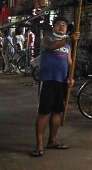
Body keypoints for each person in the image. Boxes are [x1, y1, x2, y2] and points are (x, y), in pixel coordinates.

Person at [31, 16, 79, 157]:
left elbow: (70, 63)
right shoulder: (48, 39)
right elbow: (52, 47)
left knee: (57, 111)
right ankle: (39, 143)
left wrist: (71, 77)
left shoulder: (67, 46)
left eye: (64, 25)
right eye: (58, 24)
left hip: (61, 82)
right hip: (47, 80)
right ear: (54, 27)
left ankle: (52, 140)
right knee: (44, 112)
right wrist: (69, 38)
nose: (61, 27)